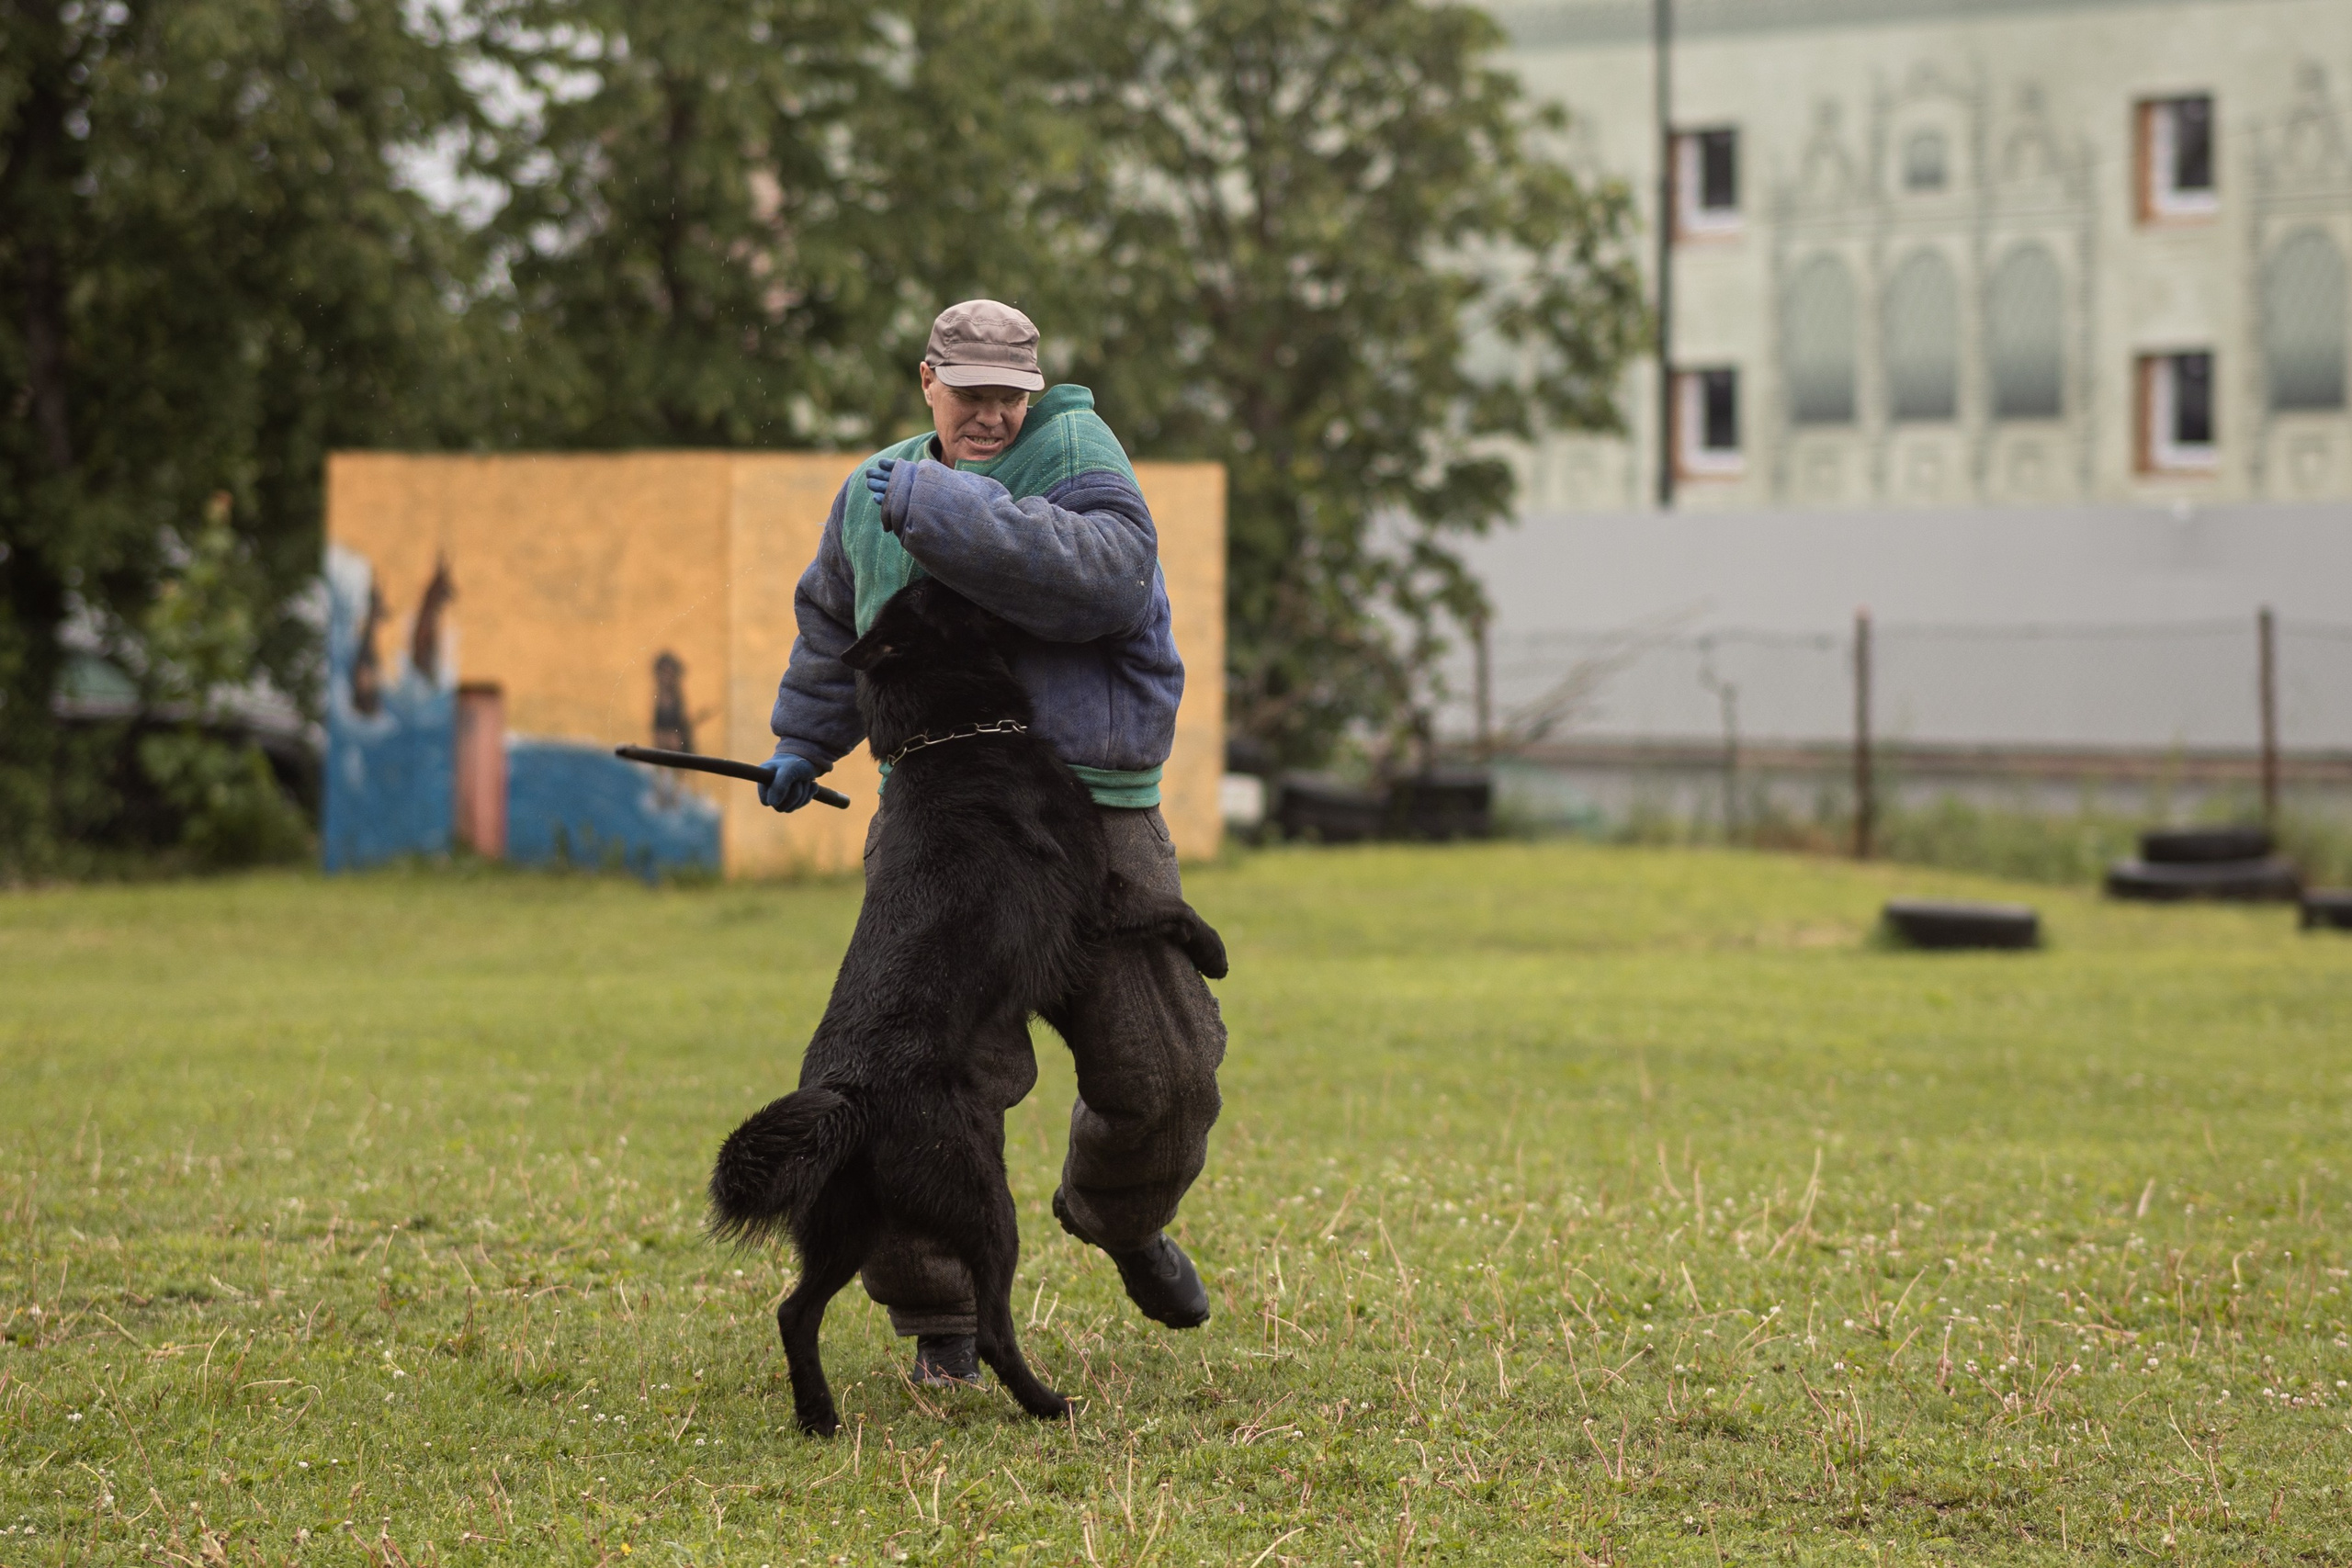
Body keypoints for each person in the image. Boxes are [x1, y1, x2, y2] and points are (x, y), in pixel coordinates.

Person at [759, 299, 1225, 1386]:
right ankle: (940, 1315)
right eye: (967, 392)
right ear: (927, 379)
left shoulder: (1076, 454)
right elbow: (837, 627)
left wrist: (940, 503)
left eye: (1007, 392)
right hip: (940, 816)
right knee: (922, 1068)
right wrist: (800, 741)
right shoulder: (867, 491)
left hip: (1089, 807)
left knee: (1162, 1068)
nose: (990, 412)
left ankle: (1116, 1214)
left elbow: (1103, 579)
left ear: (1034, 386)